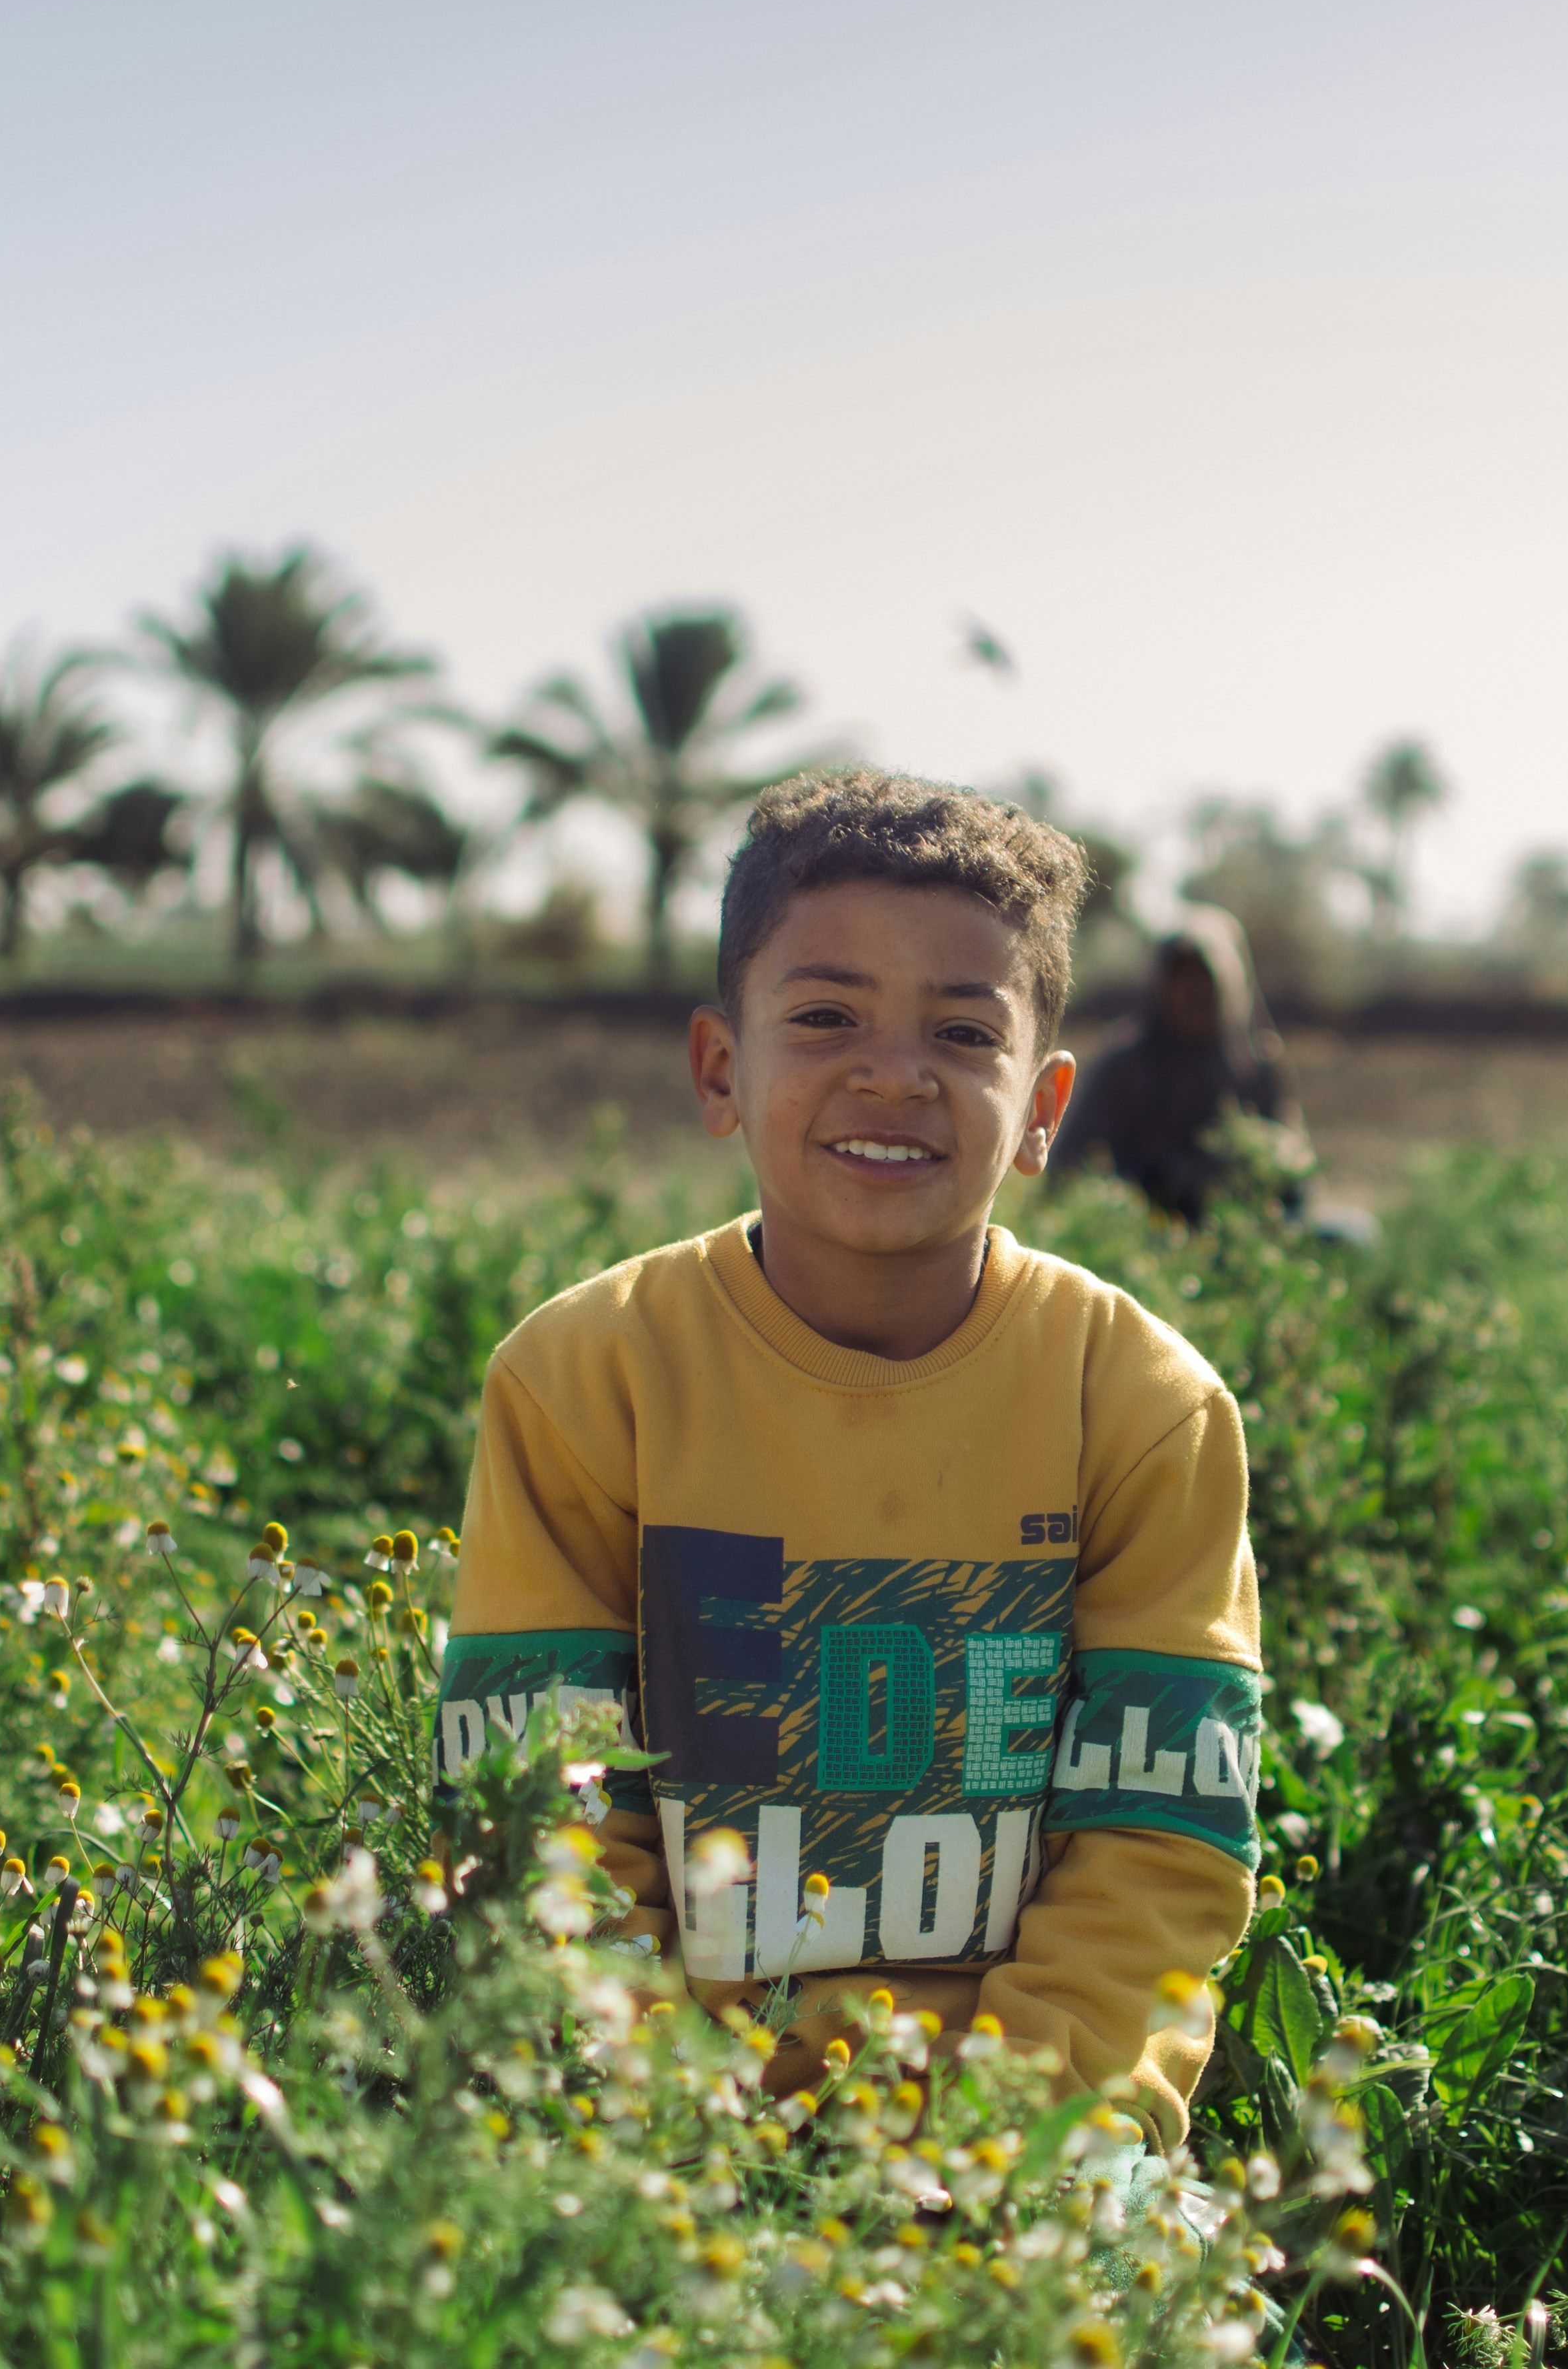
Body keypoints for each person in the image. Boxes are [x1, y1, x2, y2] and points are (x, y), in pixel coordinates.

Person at [437, 769, 1263, 2150]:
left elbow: (1154, 1860)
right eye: (825, 1017)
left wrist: (1004, 2145)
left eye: (962, 1028)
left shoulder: (1140, 1401)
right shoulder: (586, 1379)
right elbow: (544, 1839)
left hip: (1032, 2135)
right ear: (721, 1067)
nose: (894, 1071)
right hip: (663, 2130)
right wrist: (675, 2125)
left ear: (1045, 1102)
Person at [1055, 906, 1309, 1225]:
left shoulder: (1256, 1065)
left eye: (1204, 977)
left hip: (1246, 1230)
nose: (1193, 991)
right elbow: (1068, 1165)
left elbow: (1296, 1168)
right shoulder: (1127, 1065)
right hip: (1150, 1232)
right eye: (1181, 977)